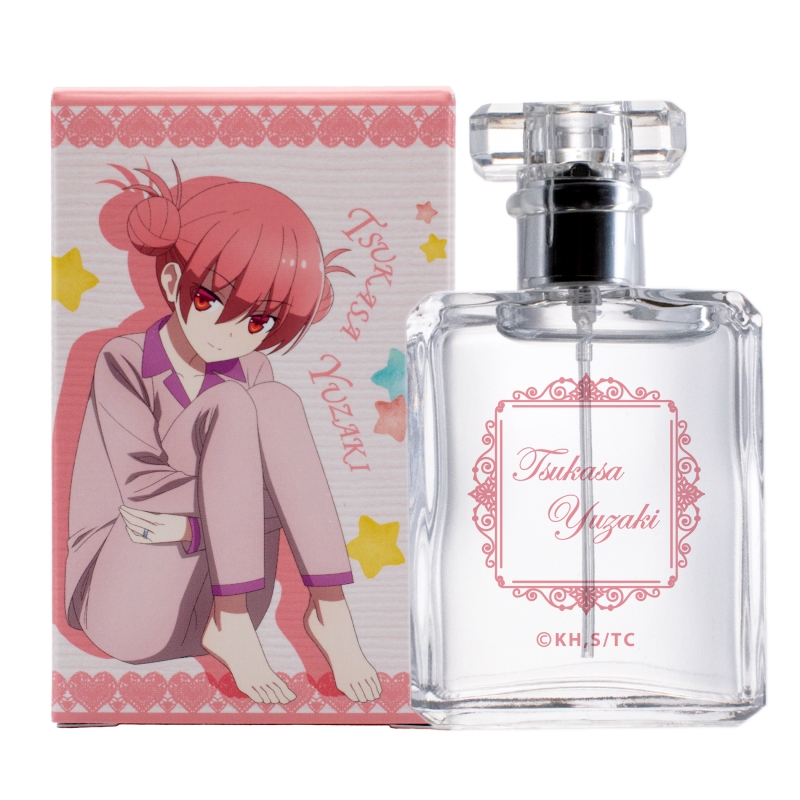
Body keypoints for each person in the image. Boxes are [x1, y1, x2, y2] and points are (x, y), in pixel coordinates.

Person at [65, 164, 381, 705]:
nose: (232, 334)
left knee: (275, 400)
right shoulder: (124, 361)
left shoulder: (255, 373)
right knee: (233, 403)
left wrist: (191, 529)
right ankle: (230, 622)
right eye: (211, 301)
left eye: (258, 322)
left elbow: (277, 496)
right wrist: (231, 513)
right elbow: (142, 490)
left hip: (219, 590)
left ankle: (330, 611)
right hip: (126, 599)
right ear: (173, 284)